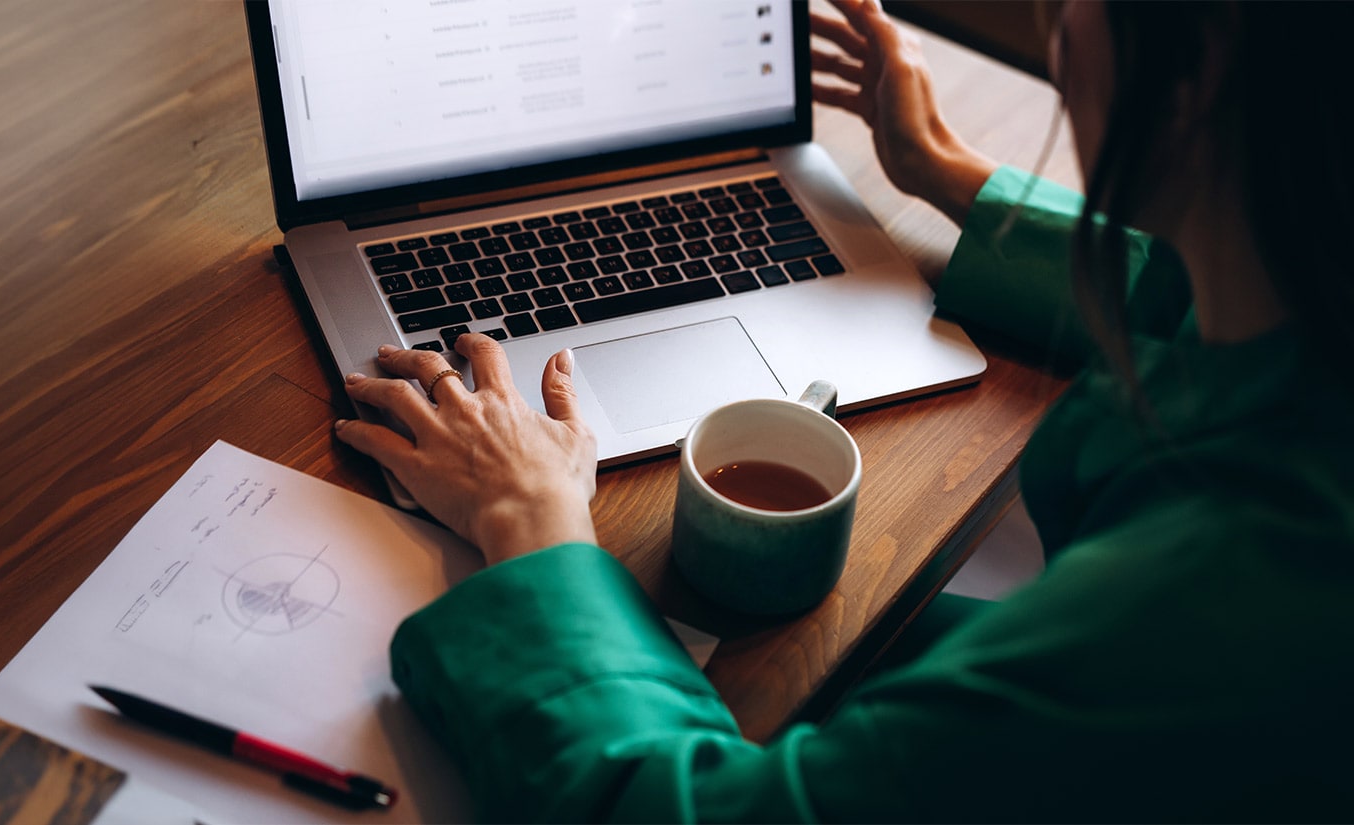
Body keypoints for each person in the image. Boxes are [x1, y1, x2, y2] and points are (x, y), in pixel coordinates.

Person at [331, 0, 1354, 819]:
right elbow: (1187, 294)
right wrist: (942, 172)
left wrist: (531, 518)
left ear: (1198, 68)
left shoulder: (1210, 605)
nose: (1057, 18)